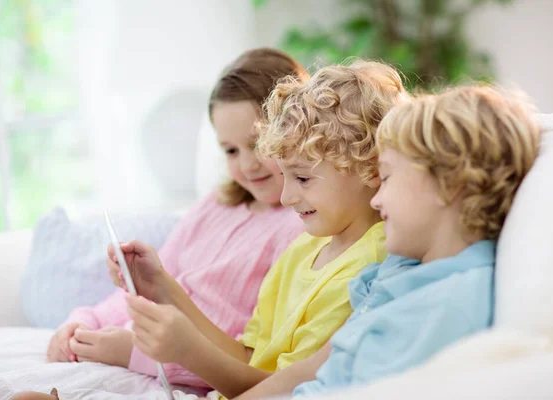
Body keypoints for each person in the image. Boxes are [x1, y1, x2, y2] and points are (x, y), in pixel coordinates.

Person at [118, 60, 408, 399]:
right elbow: (249, 358)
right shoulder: (304, 249)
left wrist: (189, 352)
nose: (285, 197)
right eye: (284, 176)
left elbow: (282, 392)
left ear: (370, 168)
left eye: (302, 178)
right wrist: (164, 289)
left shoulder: (368, 270)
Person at [234, 84, 541, 399]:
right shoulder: (402, 265)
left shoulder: (449, 306)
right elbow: (319, 367)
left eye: (388, 177)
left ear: (448, 186)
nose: (376, 199)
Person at [44, 48, 308, 390]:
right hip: (128, 350)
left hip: (172, 373)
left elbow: (250, 361)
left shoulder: (299, 228)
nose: (246, 165)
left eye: (257, 143)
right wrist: (84, 320)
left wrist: (135, 354)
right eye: (230, 150)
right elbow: (153, 286)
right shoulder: (215, 206)